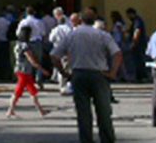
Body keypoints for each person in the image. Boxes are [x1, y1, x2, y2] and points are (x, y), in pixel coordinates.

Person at [51, 9, 121, 143]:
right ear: (95, 20)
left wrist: (64, 73)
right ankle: (107, 138)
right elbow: (117, 54)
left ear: (80, 20)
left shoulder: (72, 35)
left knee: (83, 112)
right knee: (104, 111)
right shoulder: (102, 35)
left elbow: (54, 56)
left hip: (79, 73)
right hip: (99, 74)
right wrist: (113, 72)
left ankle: (86, 139)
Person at [7, 25, 50, 118]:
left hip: (20, 68)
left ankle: (41, 110)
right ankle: (10, 110)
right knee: (18, 91)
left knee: (32, 90)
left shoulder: (17, 44)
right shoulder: (25, 46)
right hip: (24, 70)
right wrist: (42, 69)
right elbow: (31, 59)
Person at [17, 6, 47, 87]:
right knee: (38, 61)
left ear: (26, 13)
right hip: (37, 42)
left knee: (28, 62)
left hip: (27, 43)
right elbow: (43, 33)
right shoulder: (39, 21)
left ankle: (28, 81)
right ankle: (38, 80)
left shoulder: (23, 22)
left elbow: (18, 33)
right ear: (34, 12)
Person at [49, 7, 74, 94]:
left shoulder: (55, 29)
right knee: (68, 68)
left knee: (60, 68)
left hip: (58, 49)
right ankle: (68, 86)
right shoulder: (69, 28)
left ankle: (62, 86)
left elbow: (51, 39)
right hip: (68, 49)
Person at [126, 7, 147, 82]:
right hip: (139, 43)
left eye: (128, 15)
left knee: (138, 60)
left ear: (131, 14)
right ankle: (141, 76)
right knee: (138, 60)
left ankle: (141, 77)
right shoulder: (137, 20)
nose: (128, 17)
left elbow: (137, 31)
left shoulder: (137, 21)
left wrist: (134, 42)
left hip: (138, 44)